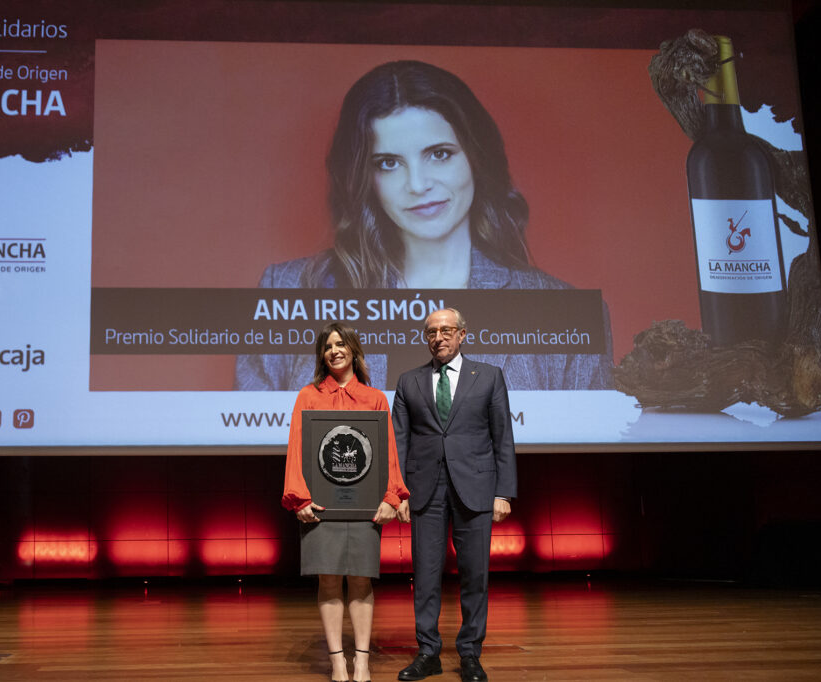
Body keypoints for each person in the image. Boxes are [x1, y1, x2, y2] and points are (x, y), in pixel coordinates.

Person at [235, 59, 612, 392]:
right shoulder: (288, 291)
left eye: (439, 154)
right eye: (388, 162)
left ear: (476, 159)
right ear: (364, 179)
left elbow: (586, 457)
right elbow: (259, 455)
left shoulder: (562, 312)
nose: (417, 184)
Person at [391, 307, 516, 682]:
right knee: (426, 576)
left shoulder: (489, 376)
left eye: (446, 330)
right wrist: (396, 492)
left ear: (463, 334)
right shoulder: (408, 381)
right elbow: (398, 442)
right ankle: (428, 652)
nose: (439, 337)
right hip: (424, 491)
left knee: (475, 576)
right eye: (431, 332)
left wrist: (504, 492)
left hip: (476, 489)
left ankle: (470, 654)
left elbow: (502, 437)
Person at [283, 321, 411, 682]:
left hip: (365, 507)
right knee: (327, 582)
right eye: (328, 346)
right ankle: (338, 661)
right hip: (321, 508)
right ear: (322, 355)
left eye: (341, 344)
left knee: (360, 582)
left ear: (354, 350)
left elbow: (387, 453)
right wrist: (299, 498)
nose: (335, 350)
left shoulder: (374, 398)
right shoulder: (308, 396)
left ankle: (362, 661)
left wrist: (391, 496)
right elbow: (296, 450)